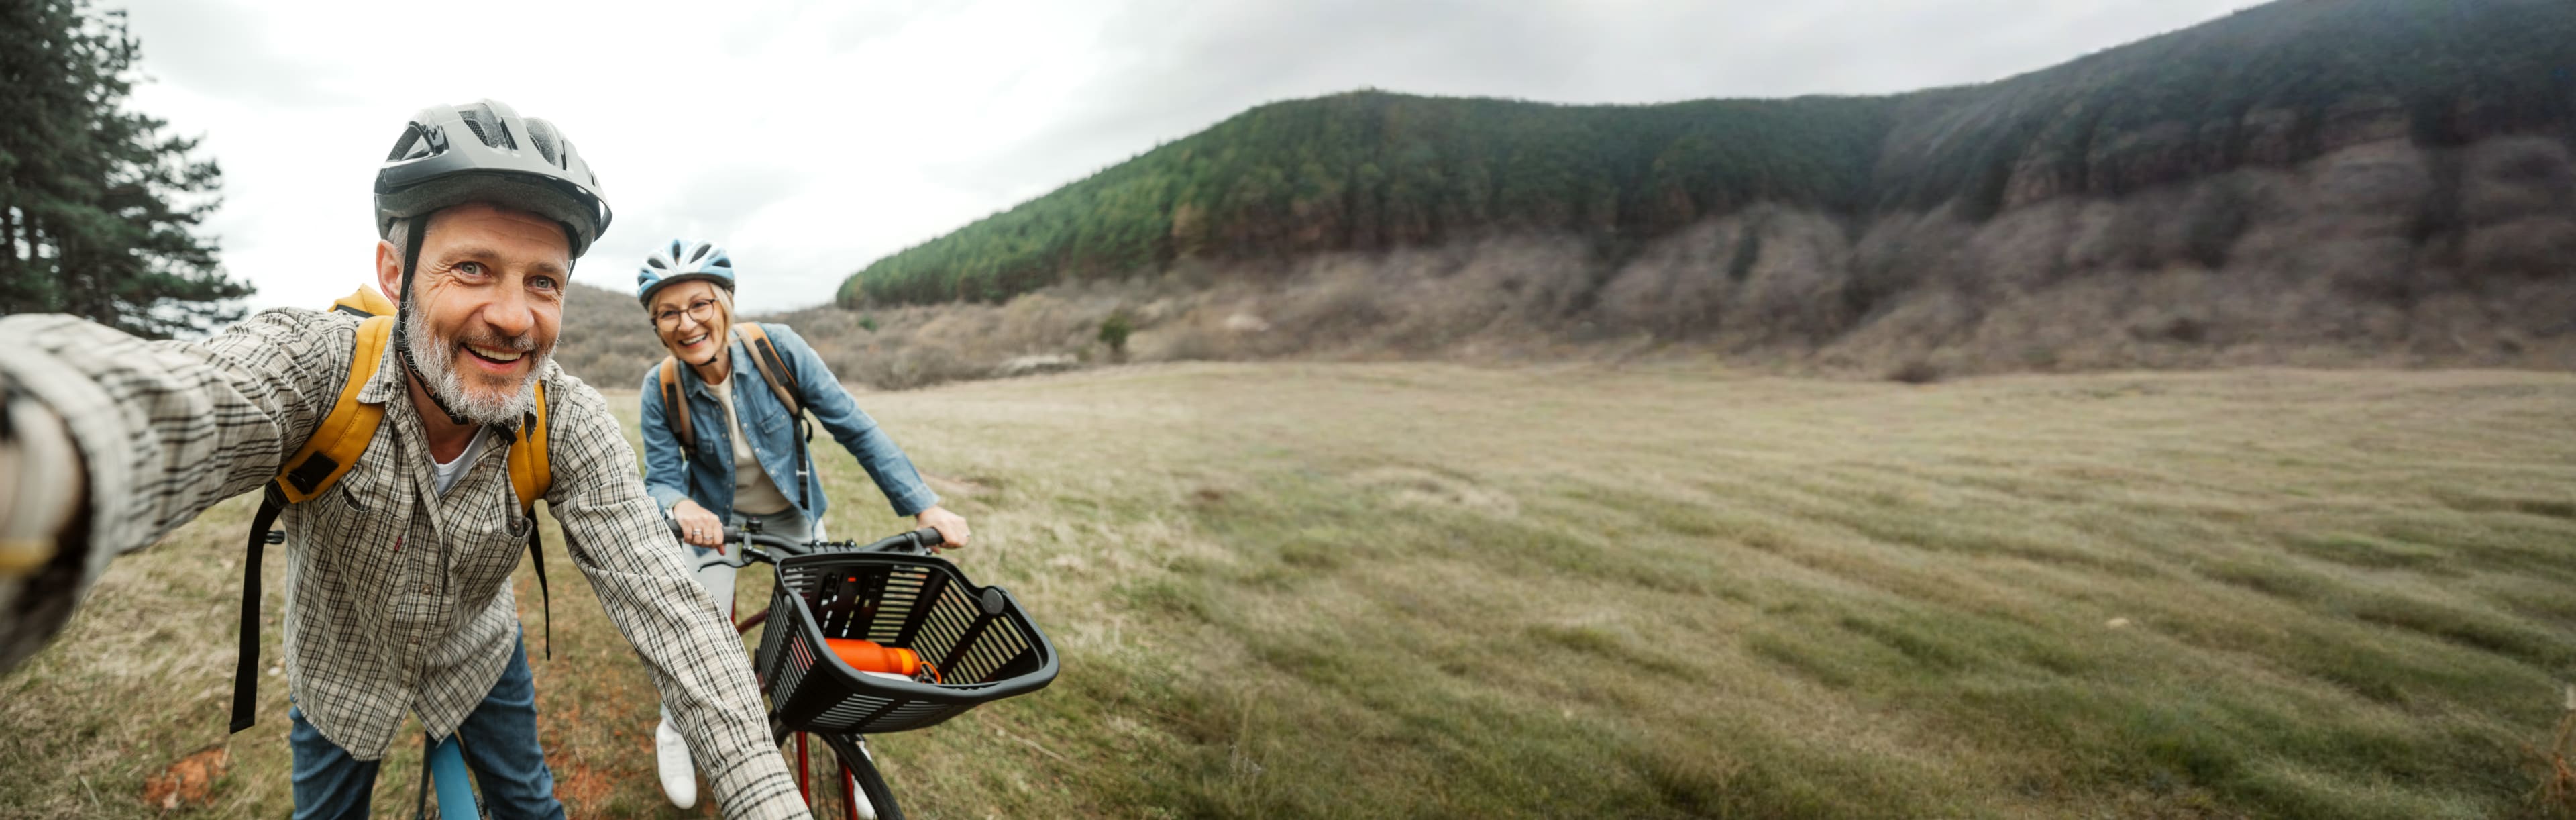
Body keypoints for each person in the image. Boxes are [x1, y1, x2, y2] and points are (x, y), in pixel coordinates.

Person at [0, 99, 813, 819]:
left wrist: (770, 803)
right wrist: (39, 449)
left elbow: (674, 610)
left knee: (531, 805)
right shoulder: (318, 364)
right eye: (471, 268)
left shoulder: (565, 420)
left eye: (543, 282)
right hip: (338, 671)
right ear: (394, 272)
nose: (512, 317)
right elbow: (179, 403)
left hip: (479, 659)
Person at [633, 238, 969, 808]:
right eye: (668, 313)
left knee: (829, 634)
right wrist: (682, 506)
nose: (687, 323)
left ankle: (849, 736)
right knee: (695, 631)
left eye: (700, 305)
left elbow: (853, 426)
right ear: (656, 324)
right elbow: (662, 477)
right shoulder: (660, 387)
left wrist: (923, 504)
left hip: (794, 516)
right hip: (719, 525)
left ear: (725, 304)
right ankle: (675, 727)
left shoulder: (778, 349)